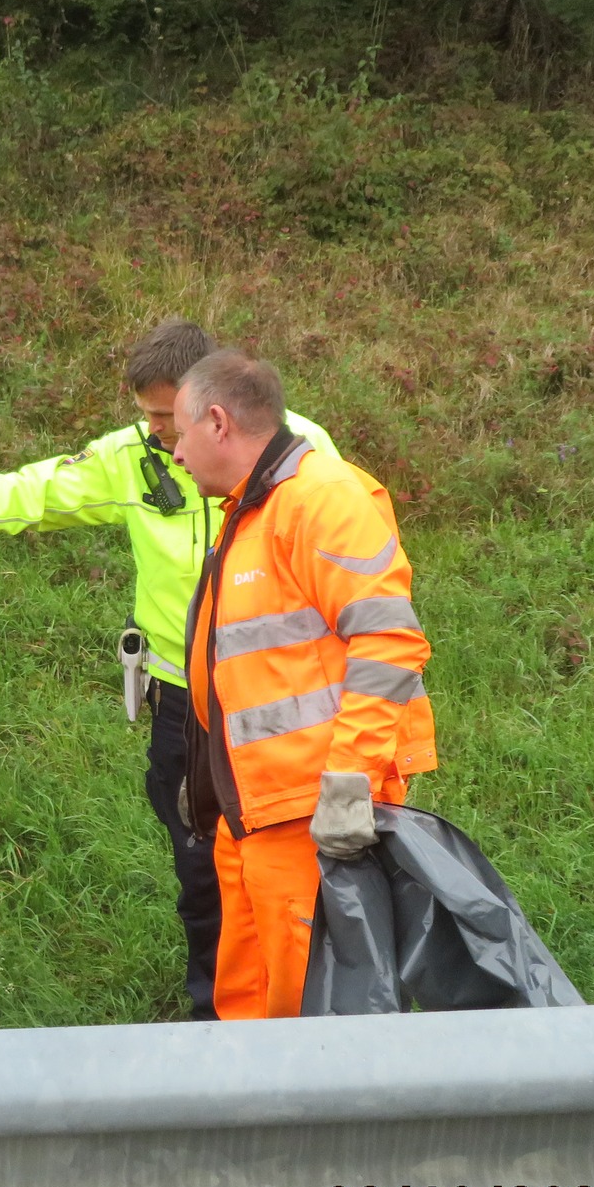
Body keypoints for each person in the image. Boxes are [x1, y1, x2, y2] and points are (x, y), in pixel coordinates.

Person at [0, 319, 339, 1019]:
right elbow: (34, 493)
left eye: (169, 420)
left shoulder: (304, 452)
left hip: (288, 707)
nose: (161, 439)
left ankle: (310, 1013)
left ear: (218, 406)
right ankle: (218, 1016)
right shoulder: (132, 455)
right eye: (149, 420)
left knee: (295, 871)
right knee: (202, 869)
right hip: (185, 703)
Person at [168, 348, 436, 1021]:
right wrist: (211, 776)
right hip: (255, 809)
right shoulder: (254, 508)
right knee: (250, 1002)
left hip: (311, 812)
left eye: (178, 431)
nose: (175, 452)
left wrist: (349, 780)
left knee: (312, 1013)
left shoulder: (319, 499)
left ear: (219, 423)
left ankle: (314, 1130)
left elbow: (388, 640)